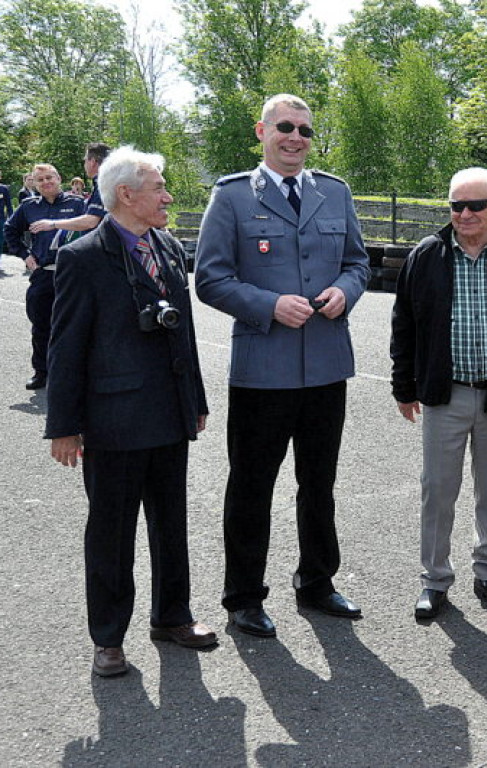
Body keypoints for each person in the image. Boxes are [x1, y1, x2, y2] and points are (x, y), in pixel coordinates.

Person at [195, 93, 370, 639]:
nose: (295, 138)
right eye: (285, 128)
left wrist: (345, 290)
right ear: (262, 131)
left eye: (305, 130)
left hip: (324, 367)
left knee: (319, 483)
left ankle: (317, 582)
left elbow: (359, 262)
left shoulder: (334, 193)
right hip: (262, 370)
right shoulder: (230, 198)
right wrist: (268, 305)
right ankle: (244, 597)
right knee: (252, 485)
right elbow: (210, 279)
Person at [45, 146, 216, 678]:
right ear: (126, 194)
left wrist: (198, 401)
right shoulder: (82, 257)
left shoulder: (166, 246)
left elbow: (182, 331)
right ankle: (109, 638)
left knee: (172, 524)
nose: (168, 197)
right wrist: (64, 426)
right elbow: (65, 347)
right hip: (112, 422)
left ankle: (172, 617)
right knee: (112, 533)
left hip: (169, 414)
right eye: (160, 188)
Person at [390, 167, 487, 620]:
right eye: (456, 205)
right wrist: (405, 386)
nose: (465, 214)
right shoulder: (427, 256)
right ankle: (434, 579)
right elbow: (404, 325)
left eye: (476, 205)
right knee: (437, 490)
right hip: (445, 394)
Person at [3, 164, 85, 389]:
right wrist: (24, 255)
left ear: (59, 178)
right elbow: (10, 230)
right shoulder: (28, 207)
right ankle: (41, 371)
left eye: (49, 177)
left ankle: (73, 373)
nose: (45, 182)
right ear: (35, 184)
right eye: (40, 180)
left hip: (72, 276)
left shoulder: (78, 204)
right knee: (40, 324)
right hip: (43, 274)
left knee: (75, 325)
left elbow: (92, 231)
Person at [29, 142, 110, 240]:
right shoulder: (111, 181)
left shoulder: (103, 183)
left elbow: (91, 221)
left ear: (92, 162)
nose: (45, 182)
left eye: (85, 160)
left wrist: (53, 224)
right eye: (40, 180)